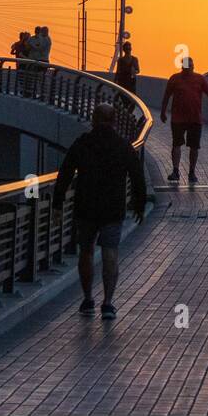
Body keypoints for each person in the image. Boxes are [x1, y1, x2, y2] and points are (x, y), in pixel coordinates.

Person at [53, 103, 146, 320]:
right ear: (114, 120)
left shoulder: (83, 143)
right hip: (113, 207)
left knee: (86, 251)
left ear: (94, 119)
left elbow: (65, 174)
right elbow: (137, 177)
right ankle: (108, 303)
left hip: (85, 206)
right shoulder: (123, 146)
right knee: (110, 252)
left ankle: (87, 299)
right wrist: (139, 205)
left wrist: (57, 204)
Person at [159, 56, 208, 184]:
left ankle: (192, 172)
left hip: (195, 119)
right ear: (182, 67)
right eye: (186, 66)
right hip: (178, 119)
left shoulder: (200, 79)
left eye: (191, 66)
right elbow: (167, 95)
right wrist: (163, 112)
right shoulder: (174, 79)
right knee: (176, 144)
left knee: (194, 147)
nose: (189, 69)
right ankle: (175, 171)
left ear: (193, 66)